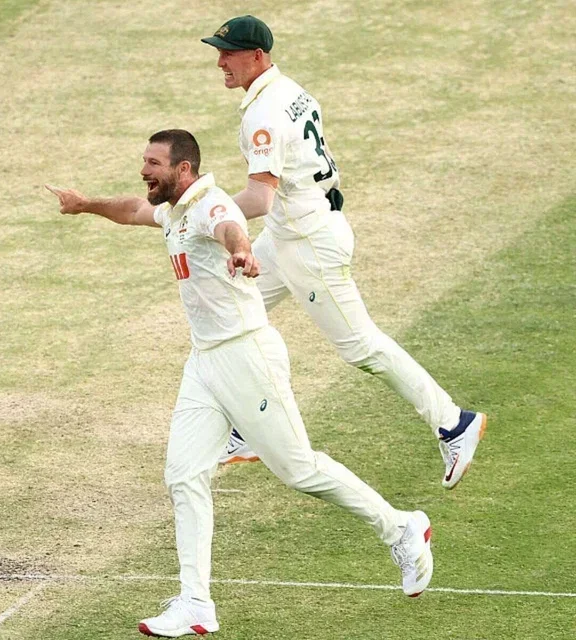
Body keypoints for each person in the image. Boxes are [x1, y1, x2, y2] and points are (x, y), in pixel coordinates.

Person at [46, 130, 433, 638]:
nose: (144, 171)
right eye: (144, 161)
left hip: (248, 355)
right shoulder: (172, 209)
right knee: (184, 475)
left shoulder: (208, 206)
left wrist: (244, 251)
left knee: (298, 470)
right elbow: (130, 209)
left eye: (153, 163)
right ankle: (196, 602)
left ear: (183, 169)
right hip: (204, 362)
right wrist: (84, 205)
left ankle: (401, 527)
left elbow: (231, 227)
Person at [201, 16, 486, 488]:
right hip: (295, 232)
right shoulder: (289, 90)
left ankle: (453, 422)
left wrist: (203, 215)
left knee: (361, 347)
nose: (219, 61)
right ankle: (245, 427)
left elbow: (259, 198)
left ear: (257, 56)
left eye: (228, 53)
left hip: (308, 243)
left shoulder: (262, 114)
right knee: (231, 310)